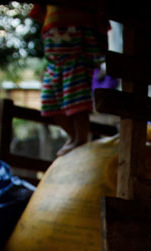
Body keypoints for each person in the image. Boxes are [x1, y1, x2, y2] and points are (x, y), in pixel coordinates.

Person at [29, 2, 108, 156]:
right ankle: (73, 137)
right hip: (53, 61)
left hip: (76, 58)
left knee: (77, 102)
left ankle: (81, 139)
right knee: (48, 104)